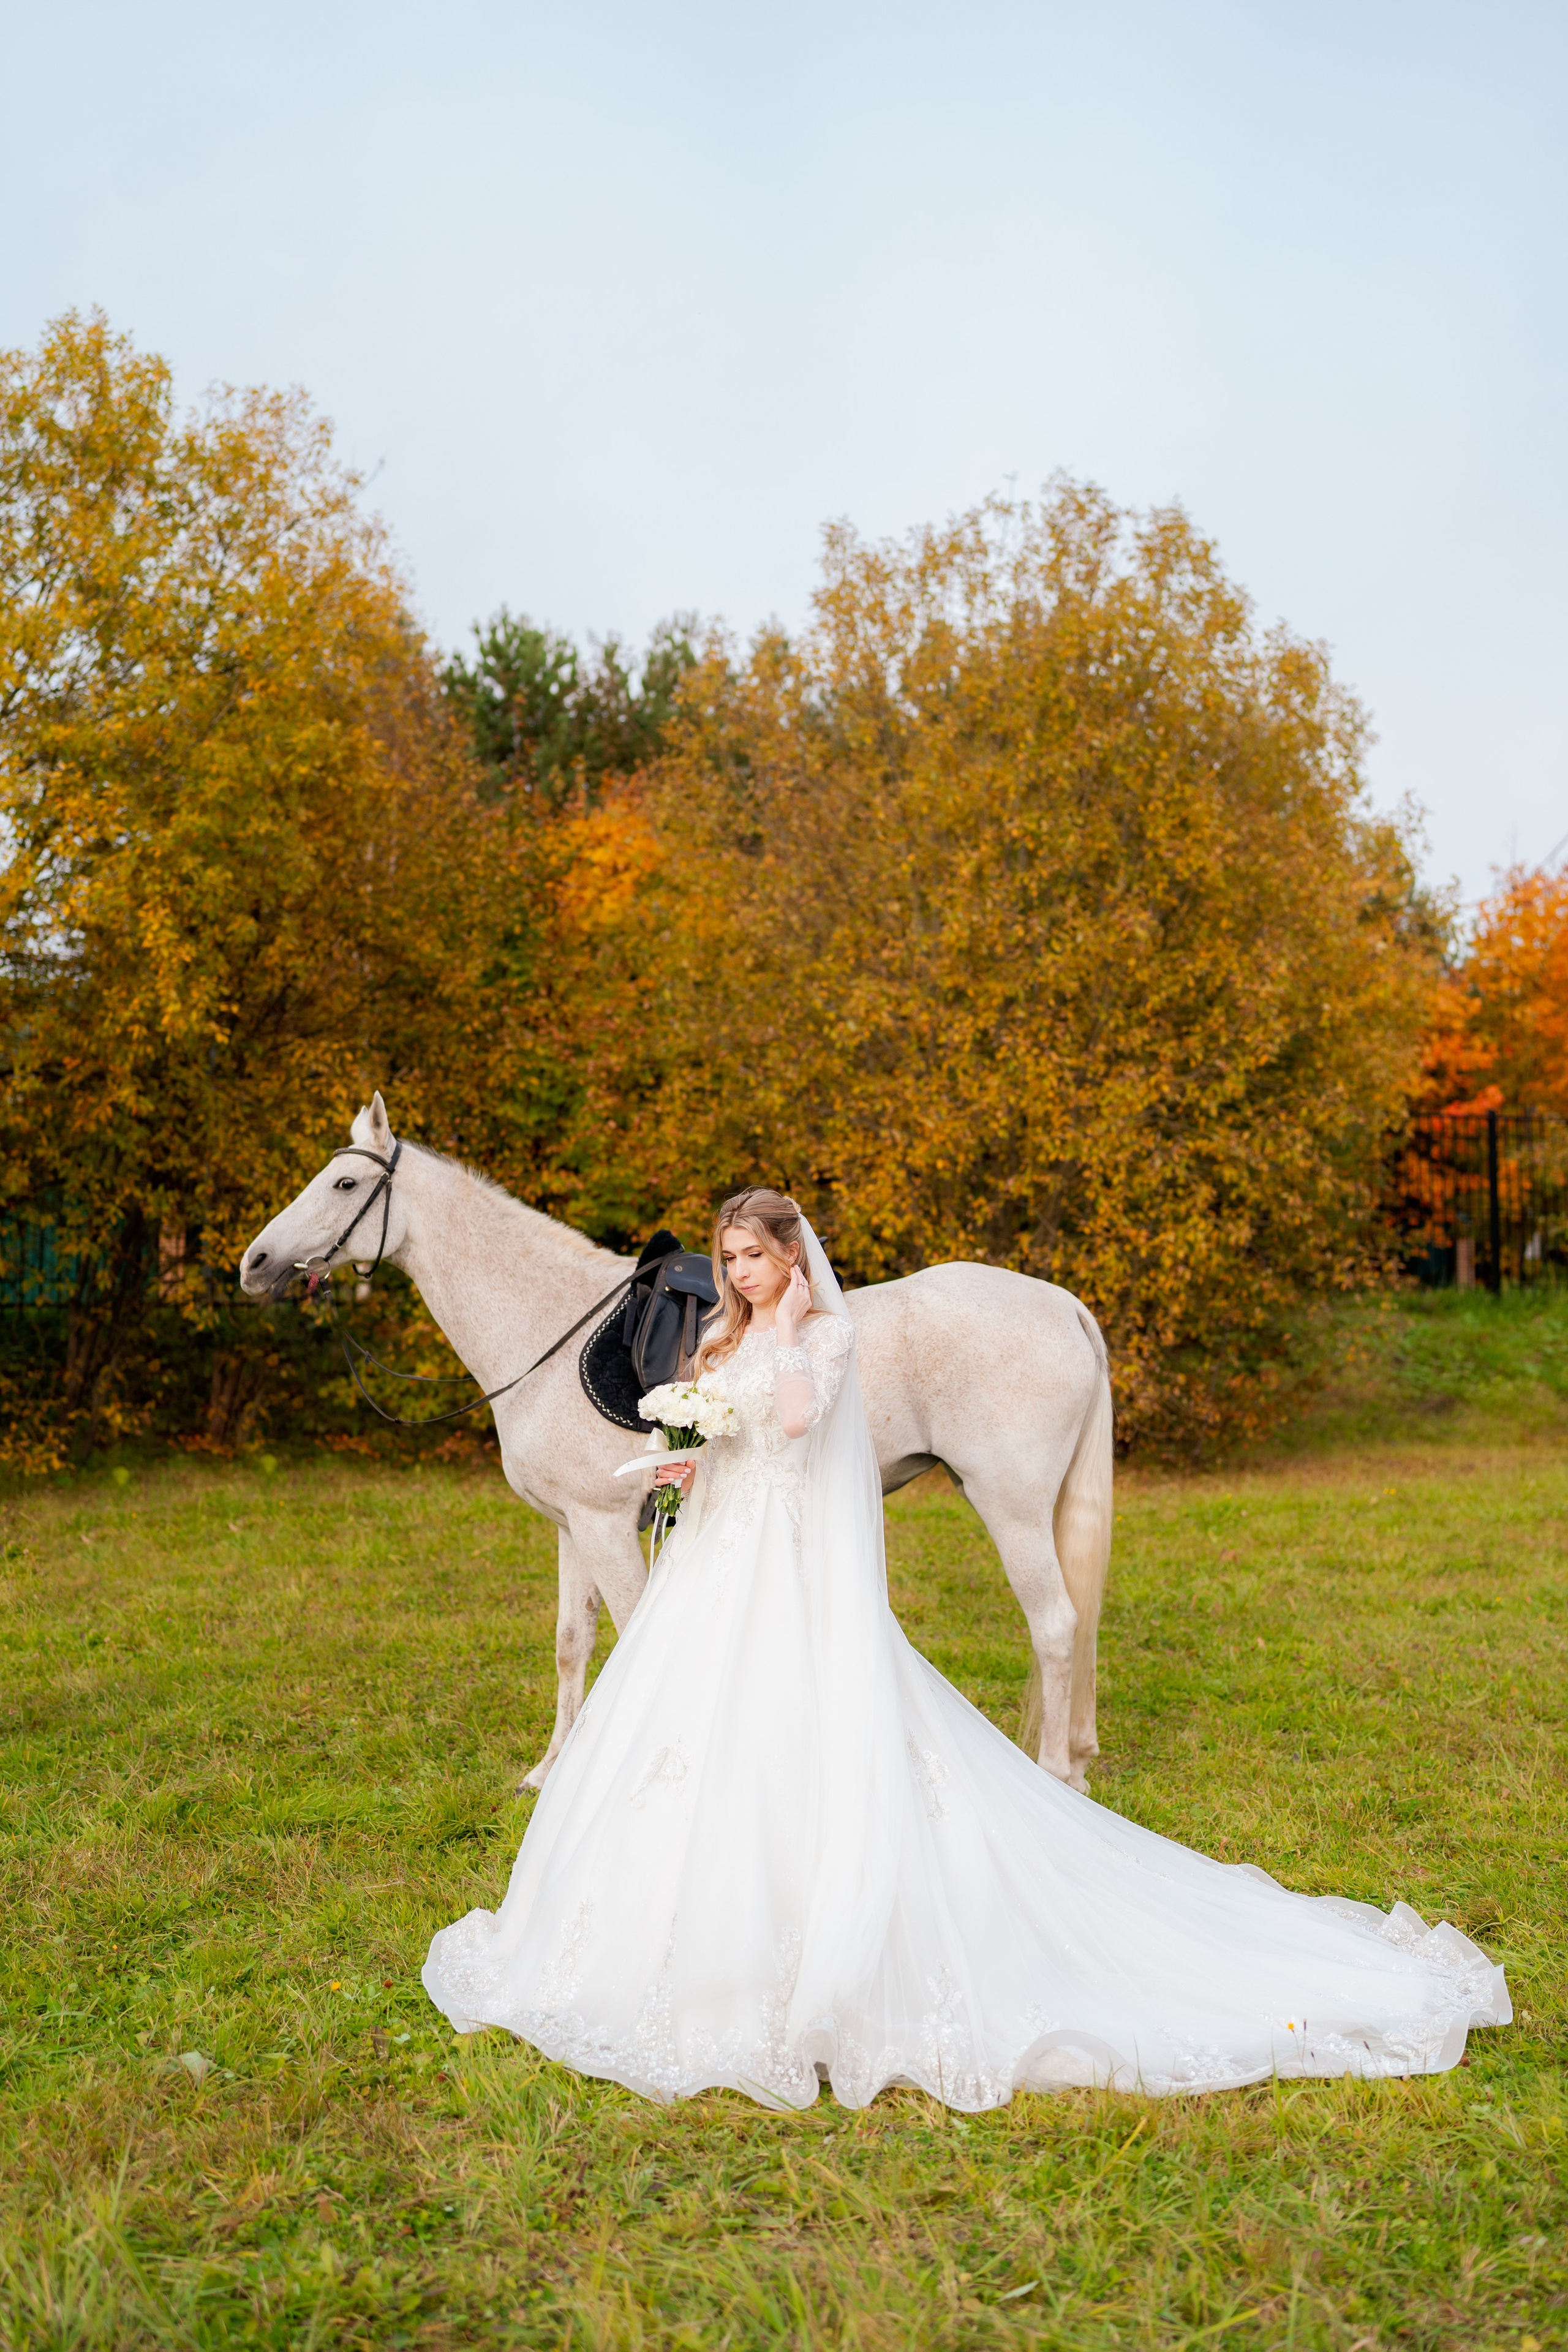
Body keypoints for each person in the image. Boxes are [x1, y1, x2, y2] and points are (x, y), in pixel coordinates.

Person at [422, 1189, 1509, 2110]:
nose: (742, 1275)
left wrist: (789, 1335)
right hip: (723, 1545)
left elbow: (799, 1429)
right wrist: (682, 1454)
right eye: (732, 1261)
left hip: (784, 1544)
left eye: (756, 1258)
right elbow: (725, 1438)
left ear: (791, 1257)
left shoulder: (819, 1333)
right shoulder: (723, 1332)